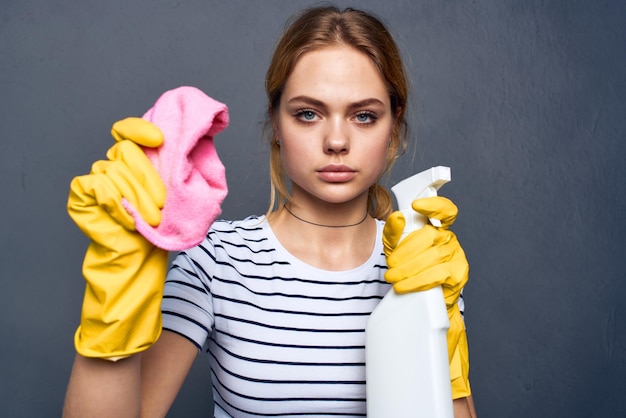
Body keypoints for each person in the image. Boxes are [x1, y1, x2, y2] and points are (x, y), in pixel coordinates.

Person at [63, 5, 476, 418]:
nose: (336, 140)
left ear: (393, 126)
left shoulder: (422, 261)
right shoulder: (215, 260)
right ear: (277, 123)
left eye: (364, 116)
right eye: (308, 114)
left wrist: (444, 336)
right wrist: (110, 312)